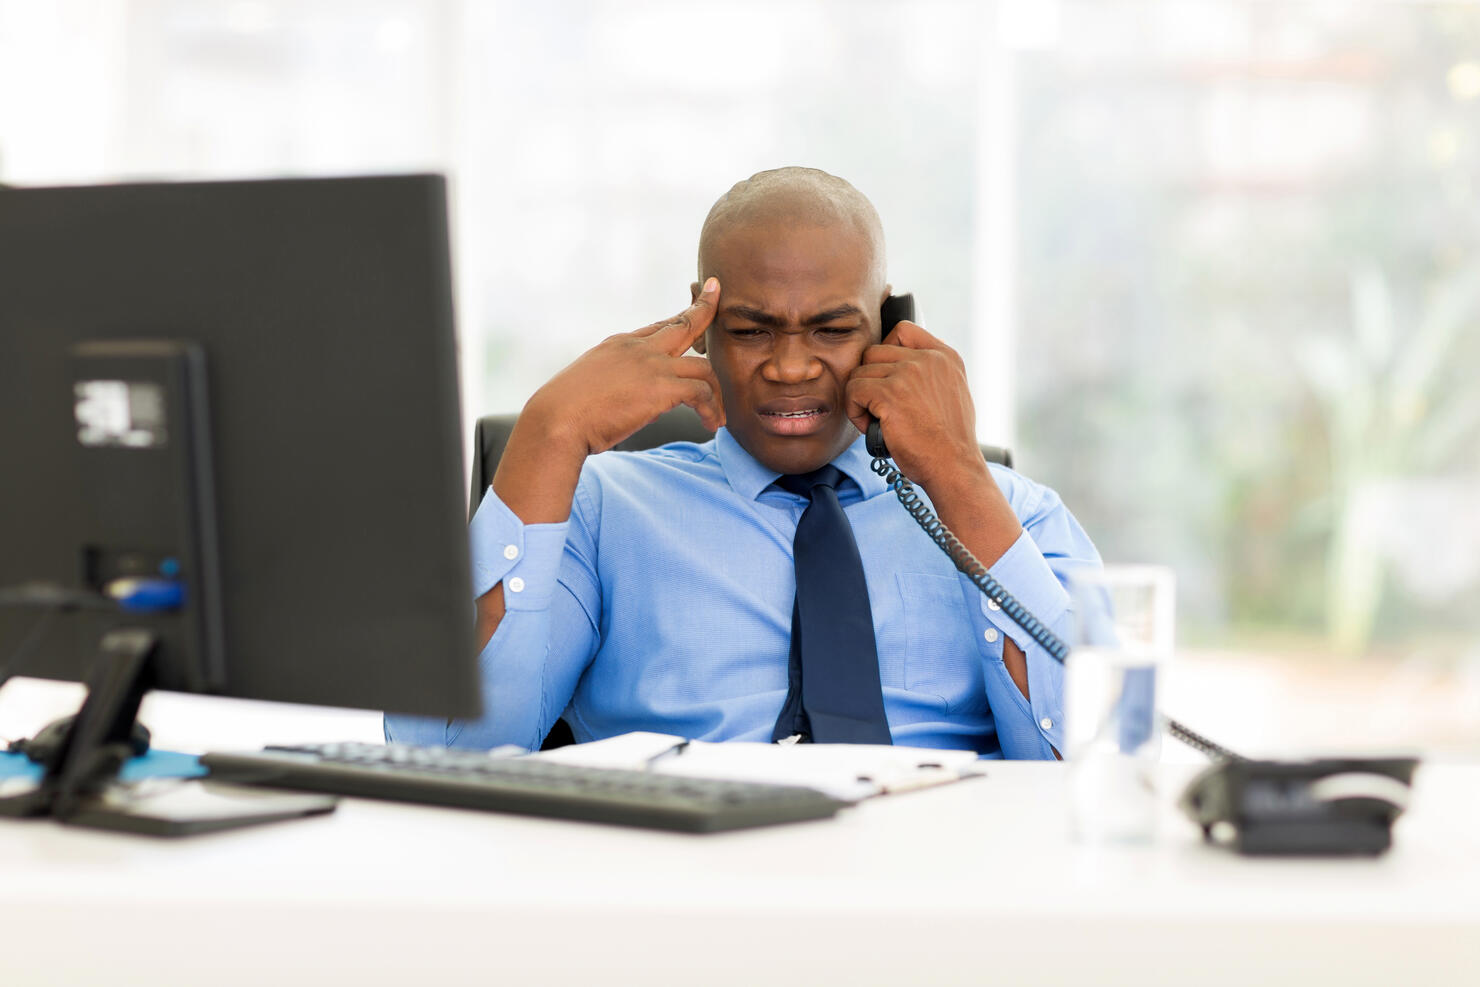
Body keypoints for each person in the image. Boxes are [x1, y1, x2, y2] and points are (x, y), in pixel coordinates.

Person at [387, 167, 1101, 758]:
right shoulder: (601, 507)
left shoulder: (1016, 514)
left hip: (938, 892)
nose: (791, 367)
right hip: (685, 886)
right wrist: (547, 437)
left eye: (831, 328)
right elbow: (439, 753)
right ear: (701, 328)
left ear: (887, 326)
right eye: (754, 330)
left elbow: (1100, 763)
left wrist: (960, 478)